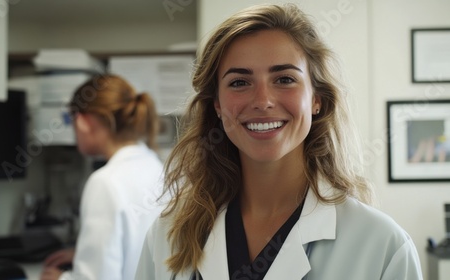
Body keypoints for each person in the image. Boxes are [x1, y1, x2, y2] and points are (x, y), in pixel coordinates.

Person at [135, 4, 422, 280]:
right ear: (218, 106)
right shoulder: (168, 235)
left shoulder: (382, 246)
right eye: (239, 82)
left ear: (316, 99)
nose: (262, 101)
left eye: (284, 79)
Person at [41, 74, 164, 280]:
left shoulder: (106, 182)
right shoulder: (157, 166)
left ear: (82, 121)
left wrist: (59, 279)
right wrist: (85, 255)